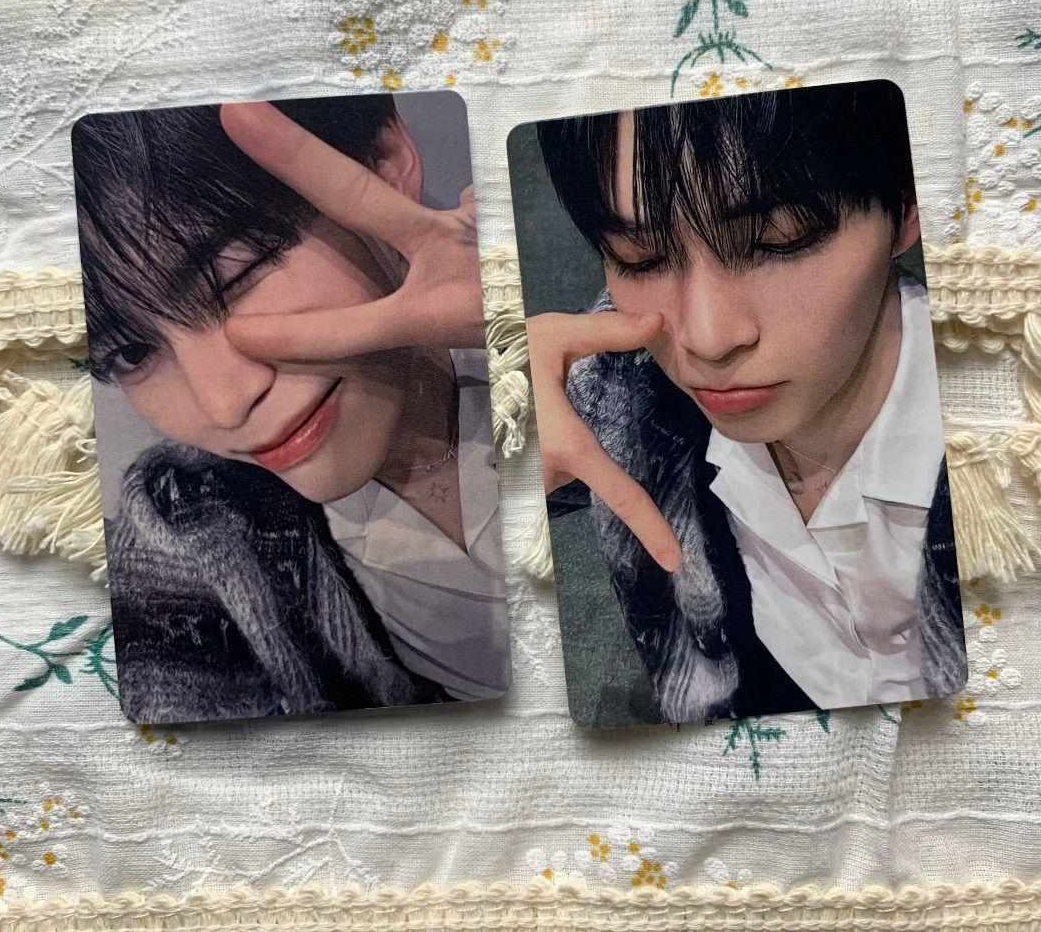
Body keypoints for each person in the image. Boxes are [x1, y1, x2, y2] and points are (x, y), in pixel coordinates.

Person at [527, 81, 967, 723]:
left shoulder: (1005, 436)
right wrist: (492, 404)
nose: (707, 338)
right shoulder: (620, 380)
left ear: (906, 203)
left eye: (778, 238)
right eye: (639, 257)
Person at [74, 94, 510, 724]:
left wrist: (521, 308)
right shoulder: (187, 528)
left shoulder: (595, 361)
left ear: (383, 161)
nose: (225, 404)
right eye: (133, 352)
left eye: (238, 274)